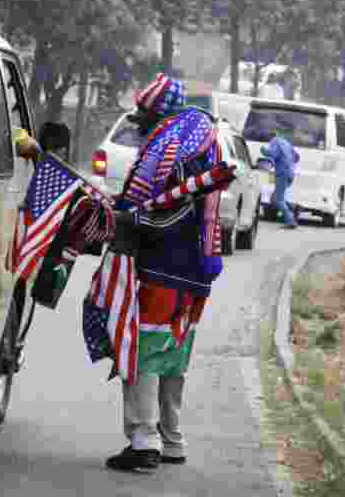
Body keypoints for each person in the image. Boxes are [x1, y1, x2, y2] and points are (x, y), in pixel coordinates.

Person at [101, 73, 236, 471]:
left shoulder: (171, 144)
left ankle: (144, 442)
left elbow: (163, 212)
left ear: (158, 110)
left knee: (141, 352)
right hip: (198, 271)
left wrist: (128, 218)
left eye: (143, 111)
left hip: (164, 268)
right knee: (173, 356)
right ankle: (172, 440)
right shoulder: (202, 136)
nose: (138, 119)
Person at [261, 126, 300, 229]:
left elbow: (273, 154)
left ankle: (291, 220)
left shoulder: (275, 141)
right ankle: (293, 208)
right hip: (290, 172)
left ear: (270, 136)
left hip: (282, 173)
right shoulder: (286, 142)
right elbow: (297, 157)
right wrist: (288, 162)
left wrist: (264, 150)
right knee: (275, 198)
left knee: (277, 199)